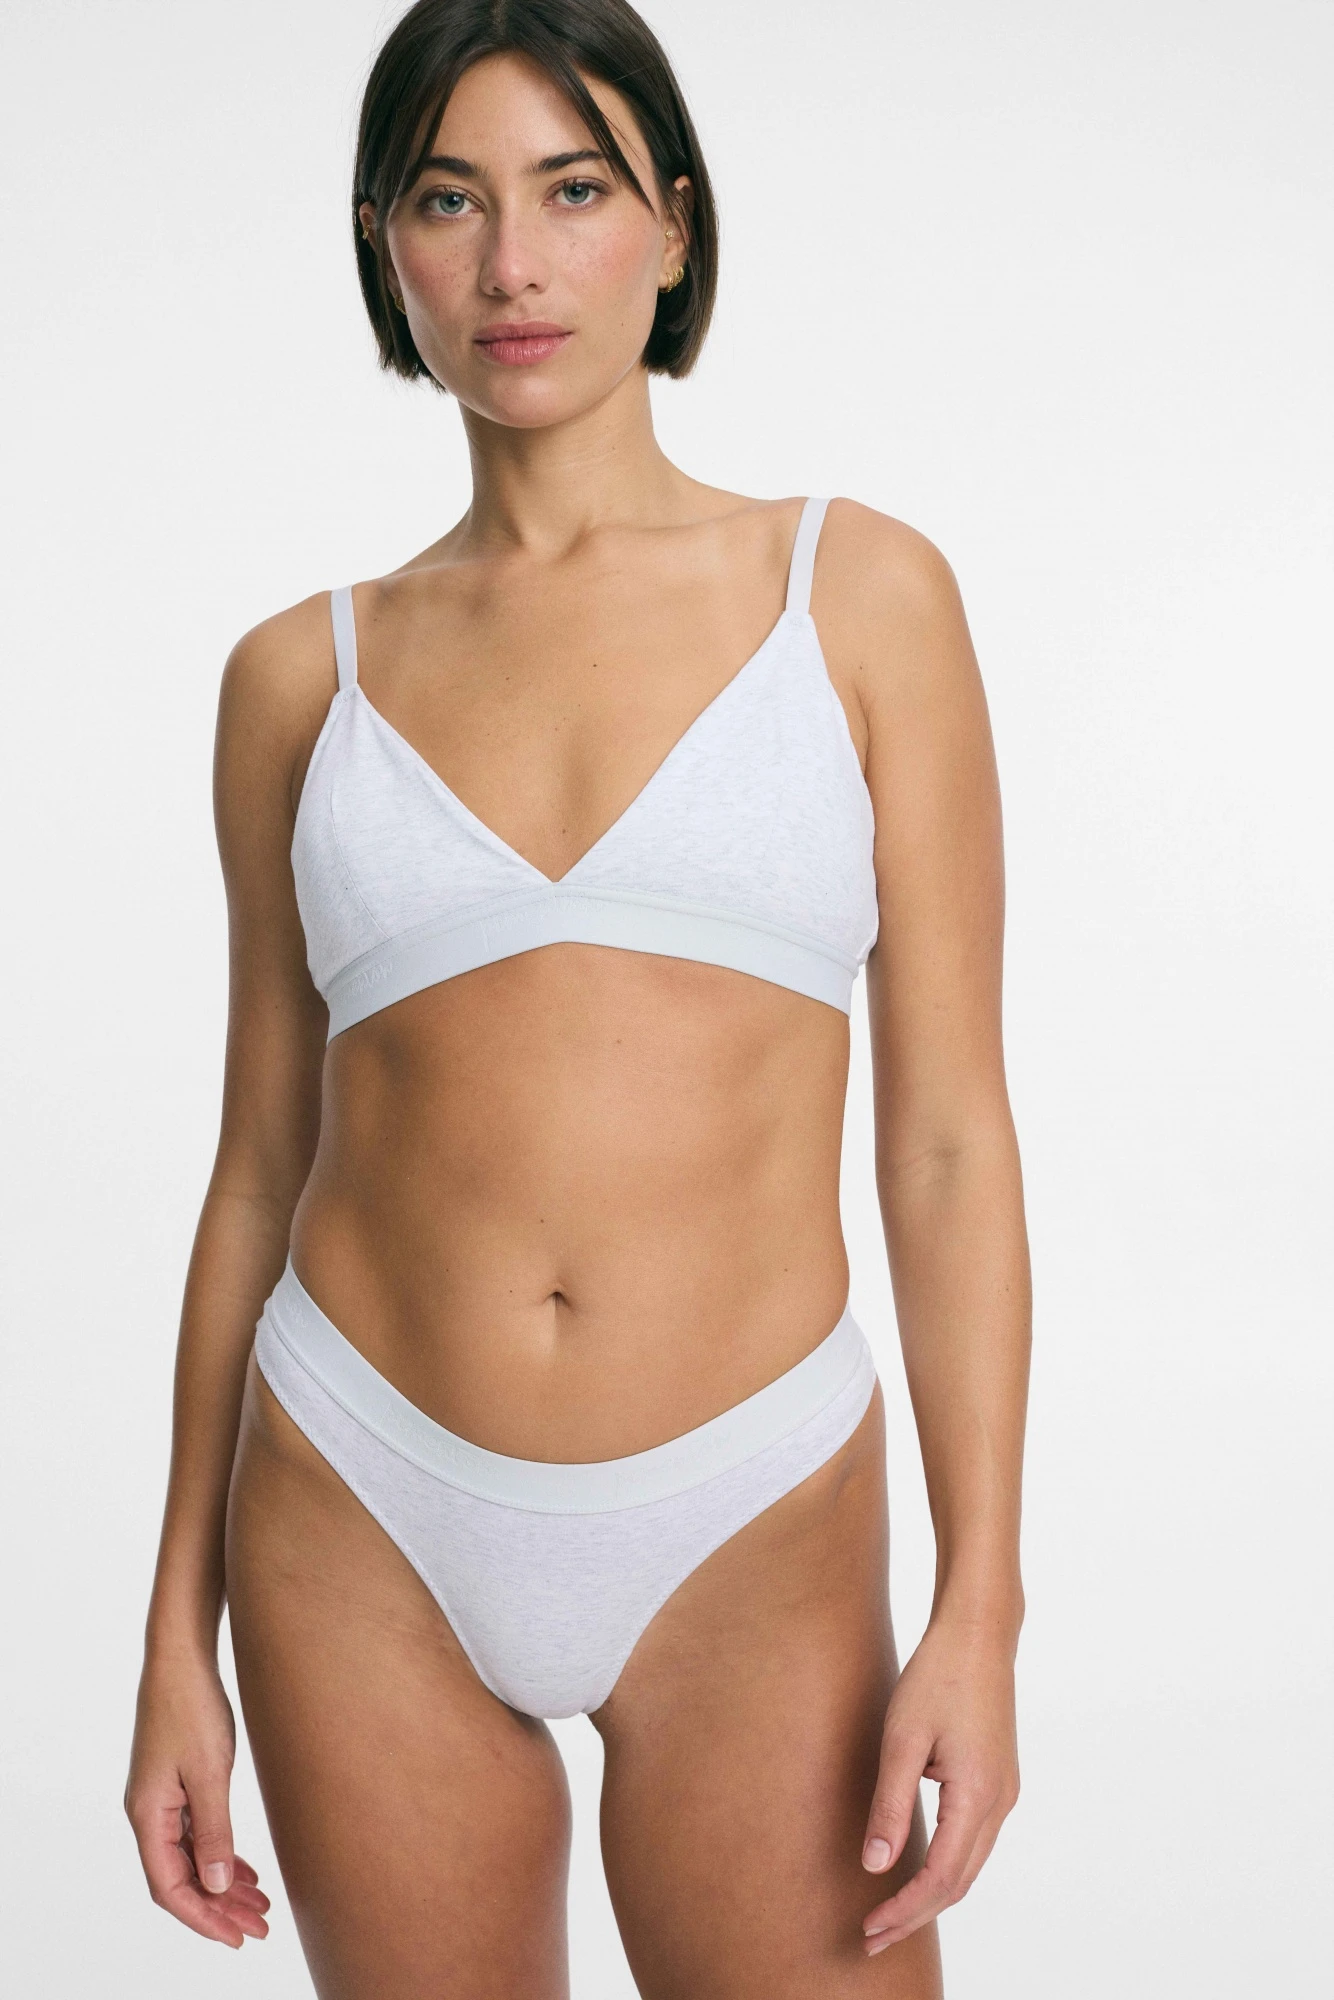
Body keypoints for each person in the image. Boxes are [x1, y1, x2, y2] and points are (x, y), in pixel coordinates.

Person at [124, 1, 1031, 1992]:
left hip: (749, 1515)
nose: (513, 265)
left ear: (673, 227)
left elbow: (950, 1143)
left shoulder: (853, 596)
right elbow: (257, 1167)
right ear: (385, 244)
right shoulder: (298, 678)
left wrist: (982, 1604)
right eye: (449, 200)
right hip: (355, 1502)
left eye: (573, 191)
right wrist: (173, 1635)